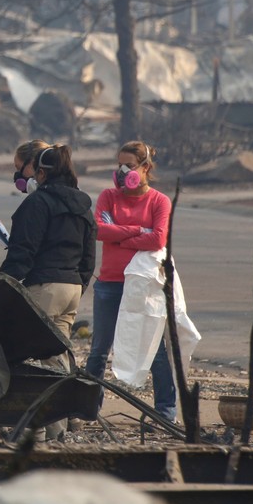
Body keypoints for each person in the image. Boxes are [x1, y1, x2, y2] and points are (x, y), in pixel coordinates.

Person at [85, 140, 177, 422]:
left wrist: (121, 234)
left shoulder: (159, 201)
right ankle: (87, 408)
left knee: (155, 349)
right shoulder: (108, 197)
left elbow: (158, 238)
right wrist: (139, 230)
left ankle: (166, 412)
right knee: (99, 349)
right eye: (119, 165)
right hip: (110, 283)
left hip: (143, 286)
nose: (123, 172)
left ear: (146, 168)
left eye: (130, 166)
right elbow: (100, 230)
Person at [1, 141, 97, 339]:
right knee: (58, 354)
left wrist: (0, 285)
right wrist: (80, 284)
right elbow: (89, 256)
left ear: (41, 174)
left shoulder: (37, 203)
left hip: (45, 287)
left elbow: (23, 251)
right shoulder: (83, 206)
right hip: (73, 290)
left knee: (28, 350)